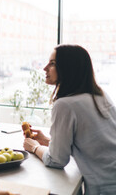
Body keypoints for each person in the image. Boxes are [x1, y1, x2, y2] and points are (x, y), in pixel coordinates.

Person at [23, 44, 116, 194]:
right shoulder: (101, 95)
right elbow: (92, 146)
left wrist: (34, 147)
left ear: (68, 68)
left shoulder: (65, 105)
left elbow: (56, 161)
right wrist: (48, 141)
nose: (45, 68)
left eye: (52, 63)